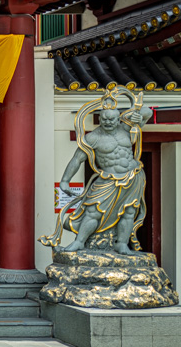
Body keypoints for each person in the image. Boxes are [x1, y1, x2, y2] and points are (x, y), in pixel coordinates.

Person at [41, 89, 152, 256]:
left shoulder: (127, 128)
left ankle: (122, 244)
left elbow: (147, 111)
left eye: (112, 119)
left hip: (133, 176)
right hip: (108, 179)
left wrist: (139, 115)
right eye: (104, 119)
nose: (108, 122)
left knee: (129, 211)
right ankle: (79, 241)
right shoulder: (93, 137)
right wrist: (65, 180)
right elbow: (77, 159)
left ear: (118, 118)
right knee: (93, 210)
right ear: (99, 119)